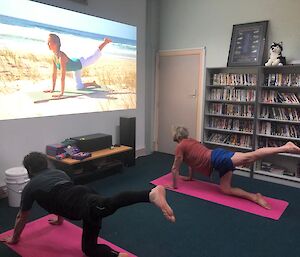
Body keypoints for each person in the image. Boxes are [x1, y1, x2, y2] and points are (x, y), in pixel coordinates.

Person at [0, 152, 175, 257]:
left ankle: (150, 194)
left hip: (82, 202)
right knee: (89, 250)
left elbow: (21, 216)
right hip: (83, 198)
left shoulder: (31, 186)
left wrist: (15, 238)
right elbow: (58, 196)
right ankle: (118, 255)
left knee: (107, 205)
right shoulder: (58, 172)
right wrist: (59, 219)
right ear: (45, 164)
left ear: (29, 170)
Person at [170, 126, 300, 209]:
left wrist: (174, 186)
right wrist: (189, 177)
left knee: (251, 157)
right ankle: (255, 197)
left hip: (218, 159)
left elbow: (175, 168)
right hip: (217, 159)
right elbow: (191, 162)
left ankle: (286, 147)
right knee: (225, 189)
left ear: (177, 138)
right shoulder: (191, 141)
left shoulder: (180, 146)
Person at [44, 33, 112, 97]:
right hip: (74, 66)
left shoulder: (61, 57)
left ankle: (105, 42)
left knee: (94, 56)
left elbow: (62, 77)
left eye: (49, 42)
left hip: (80, 63)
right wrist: (52, 89)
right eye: (47, 42)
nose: (47, 44)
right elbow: (54, 74)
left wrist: (61, 93)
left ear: (56, 44)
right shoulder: (54, 56)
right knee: (79, 87)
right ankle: (92, 83)